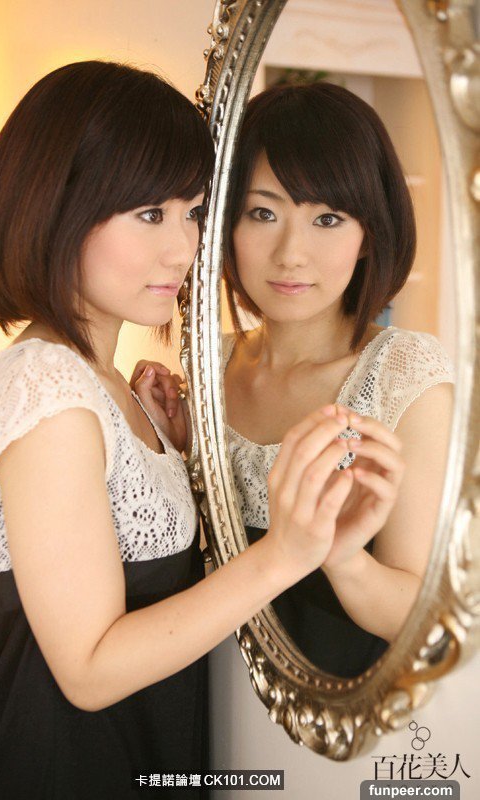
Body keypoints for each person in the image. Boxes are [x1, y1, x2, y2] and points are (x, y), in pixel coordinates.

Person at [0, 62, 402, 800]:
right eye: (149, 214)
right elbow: (89, 670)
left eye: (193, 212)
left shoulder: (100, 381)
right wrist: (284, 554)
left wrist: (176, 452)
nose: (183, 248)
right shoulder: (46, 390)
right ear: (58, 206)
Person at [218, 82, 454, 677]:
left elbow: (424, 621)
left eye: (328, 218)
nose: (291, 253)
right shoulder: (207, 367)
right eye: (263, 213)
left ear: (369, 234)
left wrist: (345, 559)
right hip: (194, 701)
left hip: (334, 708)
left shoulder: (405, 376)